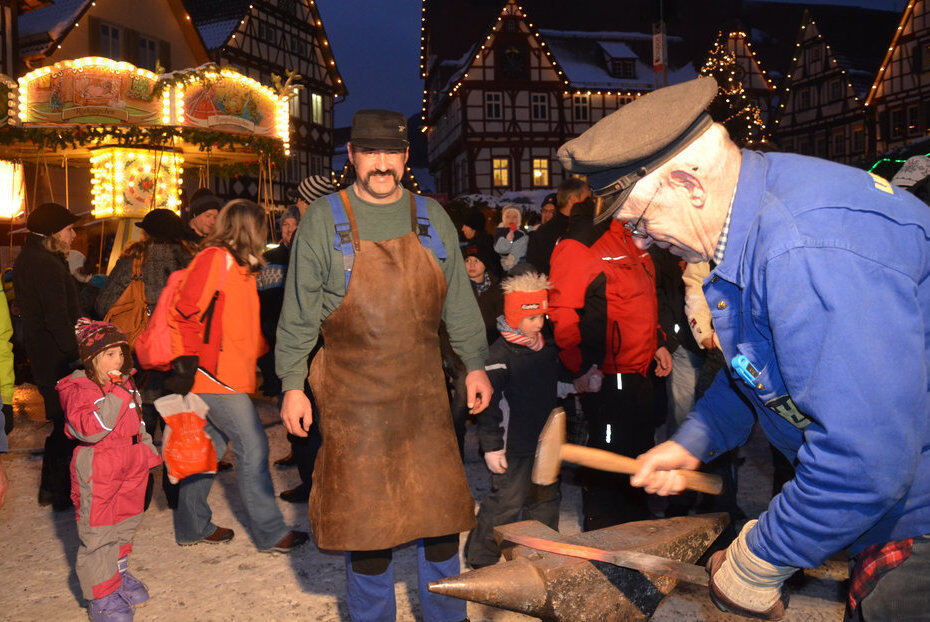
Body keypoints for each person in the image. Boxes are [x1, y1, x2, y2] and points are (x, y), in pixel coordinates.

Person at [559, 75, 930, 621]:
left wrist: (759, 559)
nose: (644, 239)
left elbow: (865, 461)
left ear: (690, 183)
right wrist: (691, 442)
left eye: (640, 220)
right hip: (890, 506)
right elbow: (753, 373)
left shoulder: (801, 245)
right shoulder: (746, 229)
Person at [276, 109, 492, 622]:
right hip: (355, 405)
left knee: (439, 523)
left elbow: (458, 300)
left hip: (424, 400)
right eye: (369, 152)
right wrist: (291, 384)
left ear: (404, 157)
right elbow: (300, 311)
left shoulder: (431, 217)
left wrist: (476, 363)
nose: (380, 164)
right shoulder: (324, 219)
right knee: (367, 529)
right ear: (352, 156)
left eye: (390, 153)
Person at [166, 199, 307, 553]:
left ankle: (191, 525)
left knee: (209, 448)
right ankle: (272, 533)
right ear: (249, 227)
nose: (265, 236)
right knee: (253, 447)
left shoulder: (239, 264)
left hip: (227, 373)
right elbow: (185, 309)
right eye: (262, 228)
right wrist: (191, 362)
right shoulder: (216, 258)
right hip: (215, 375)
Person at [548, 197, 671, 530]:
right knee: (609, 462)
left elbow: (642, 299)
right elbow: (562, 312)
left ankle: (635, 531)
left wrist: (657, 342)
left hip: (640, 372)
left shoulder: (631, 237)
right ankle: (604, 536)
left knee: (640, 453)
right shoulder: (583, 242)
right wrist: (580, 368)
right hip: (606, 375)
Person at [57, 318, 161, 621]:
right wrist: (115, 393)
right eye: (109, 355)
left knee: (125, 522)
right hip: (99, 466)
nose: (117, 360)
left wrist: (146, 448)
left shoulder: (125, 382)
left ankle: (117, 577)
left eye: (120, 353)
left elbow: (138, 419)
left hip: (130, 463)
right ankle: (101, 596)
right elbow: (91, 430)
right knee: (99, 531)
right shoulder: (80, 388)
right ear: (91, 360)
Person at [96, 208, 198, 508]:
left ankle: (137, 494)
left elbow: (104, 302)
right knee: (175, 426)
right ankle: (176, 493)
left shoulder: (133, 259)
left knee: (139, 428)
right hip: (179, 357)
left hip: (140, 354)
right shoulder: (189, 260)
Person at [465, 270, 561, 569]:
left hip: (544, 442)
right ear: (514, 316)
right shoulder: (498, 355)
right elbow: (488, 406)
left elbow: (553, 383)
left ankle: (541, 554)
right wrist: (492, 446)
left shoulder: (545, 349)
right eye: (531, 318)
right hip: (512, 446)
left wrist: (577, 382)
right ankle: (482, 558)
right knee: (506, 502)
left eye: (541, 317)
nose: (538, 324)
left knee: (545, 500)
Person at [13, 202, 81, 510]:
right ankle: (59, 491)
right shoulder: (43, 263)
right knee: (67, 425)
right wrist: (76, 354)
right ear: (53, 232)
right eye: (69, 229)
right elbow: (56, 317)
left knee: (62, 424)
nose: (74, 235)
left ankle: (53, 489)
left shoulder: (37, 257)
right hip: (56, 358)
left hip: (48, 356)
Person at [257, 206, 319, 504]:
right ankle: (303, 460)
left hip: (307, 341)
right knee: (293, 405)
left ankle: (312, 478)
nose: (289, 229)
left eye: (294, 224)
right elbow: (268, 300)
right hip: (282, 338)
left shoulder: (310, 248)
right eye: (285, 225)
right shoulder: (275, 257)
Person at [526, 178, 591, 275]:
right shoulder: (548, 233)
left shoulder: (544, 231)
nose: (591, 203)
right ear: (573, 199)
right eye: (587, 199)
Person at [461, 207, 500, 278]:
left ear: (474, 227)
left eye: (466, 225)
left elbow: (494, 271)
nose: (462, 229)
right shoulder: (474, 244)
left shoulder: (485, 245)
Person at [493, 205, 528, 272]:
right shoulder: (501, 232)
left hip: (523, 264)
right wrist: (508, 241)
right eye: (508, 217)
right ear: (504, 219)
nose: (511, 219)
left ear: (519, 219)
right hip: (510, 267)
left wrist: (534, 228)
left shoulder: (521, 231)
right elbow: (500, 249)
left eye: (515, 217)